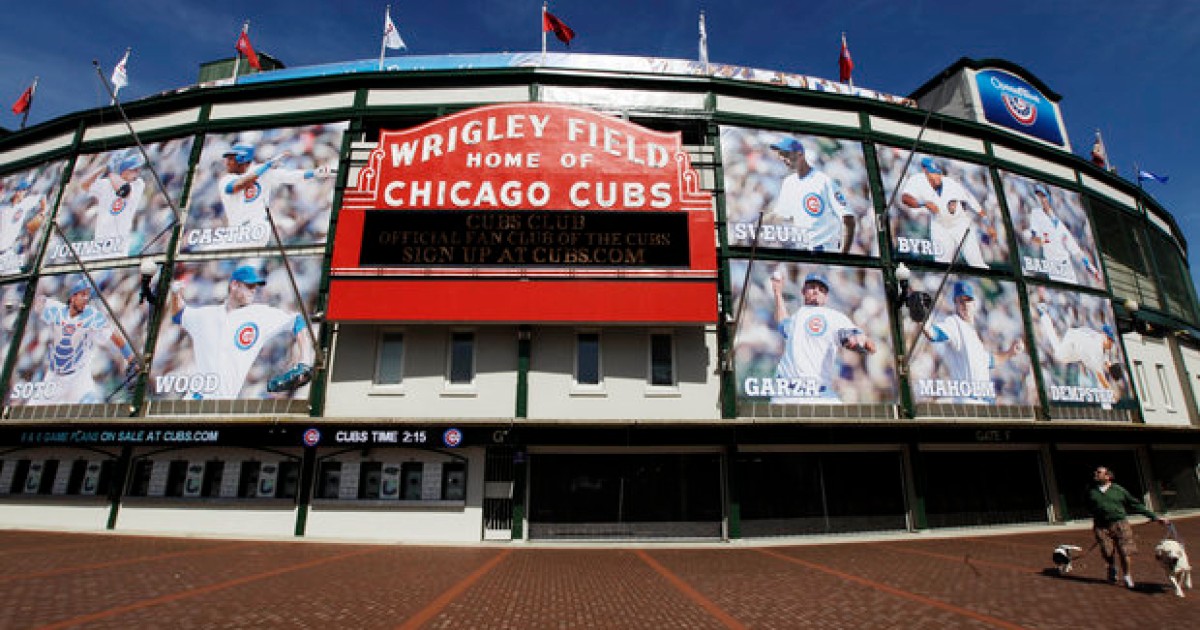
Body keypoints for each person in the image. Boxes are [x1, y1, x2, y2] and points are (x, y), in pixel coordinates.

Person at [166, 264, 312, 400]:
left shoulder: (260, 315)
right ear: (234, 285)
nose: (253, 290)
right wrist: (174, 293)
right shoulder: (207, 314)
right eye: (249, 286)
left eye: (255, 286)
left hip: (223, 403)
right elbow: (179, 315)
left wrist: (304, 359)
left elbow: (298, 321)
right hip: (195, 398)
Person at [770, 269, 876, 403]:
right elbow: (782, 323)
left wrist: (862, 342)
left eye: (821, 289)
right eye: (812, 287)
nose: (816, 291)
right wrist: (777, 293)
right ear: (803, 291)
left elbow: (858, 337)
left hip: (818, 392)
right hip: (787, 392)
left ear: (826, 296)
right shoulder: (795, 318)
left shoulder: (833, 316)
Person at [29, 280, 138, 404]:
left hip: (78, 377)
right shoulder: (56, 310)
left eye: (87, 295)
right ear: (73, 297)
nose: (86, 298)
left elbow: (114, 335)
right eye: (82, 294)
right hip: (54, 377)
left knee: (90, 411)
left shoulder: (92, 316)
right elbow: (34, 301)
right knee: (29, 413)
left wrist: (131, 359)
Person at [921, 280, 1022, 404]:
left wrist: (1010, 353)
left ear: (974, 303)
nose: (965, 304)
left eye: (968, 300)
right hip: (968, 403)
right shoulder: (954, 324)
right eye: (960, 301)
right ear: (955, 304)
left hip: (985, 403)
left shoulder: (974, 334)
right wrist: (922, 317)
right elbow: (933, 333)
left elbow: (989, 361)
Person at [216, 143, 334, 248]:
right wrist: (266, 166)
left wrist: (314, 173)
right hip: (237, 231)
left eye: (231, 159)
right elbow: (236, 187)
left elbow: (289, 176)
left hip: (256, 228)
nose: (227, 163)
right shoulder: (226, 179)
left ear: (242, 159)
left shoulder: (262, 171)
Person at [899, 157, 995, 269]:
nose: (937, 176)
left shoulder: (951, 184)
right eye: (933, 172)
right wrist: (923, 203)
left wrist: (988, 225)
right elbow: (905, 198)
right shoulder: (917, 180)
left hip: (960, 224)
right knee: (941, 265)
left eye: (939, 173)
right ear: (925, 171)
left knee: (977, 263)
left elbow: (975, 205)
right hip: (940, 226)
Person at [763, 137, 855, 253]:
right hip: (802, 251)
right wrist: (758, 224)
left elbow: (848, 218)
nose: (782, 158)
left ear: (800, 154)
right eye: (780, 155)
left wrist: (843, 255)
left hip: (826, 251)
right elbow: (780, 215)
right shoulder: (789, 182)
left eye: (786, 154)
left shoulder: (823, 181)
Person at [1085, 466, 1169, 589]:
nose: (1095, 474)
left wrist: (1154, 517)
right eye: (1096, 472)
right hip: (1101, 526)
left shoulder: (1118, 490)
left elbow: (1135, 504)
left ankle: (1127, 576)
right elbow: (1087, 505)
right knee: (1107, 551)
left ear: (1108, 476)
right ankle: (1112, 567)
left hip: (1120, 524)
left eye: (1099, 472)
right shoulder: (1091, 491)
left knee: (1125, 551)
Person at [1034, 302, 1120, 397]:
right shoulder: (1096, 349)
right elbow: (1101, 377)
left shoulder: (1102, 342)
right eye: (1110, 340)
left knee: (1069, 354)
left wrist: (1110, 366)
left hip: (1077, 340)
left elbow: (1105, 359)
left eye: (1112, 341)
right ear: (1105, 336)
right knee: (1059, 355)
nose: (1111, 343)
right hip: (1073, 344)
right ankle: (1044, 315)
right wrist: (1111, 392)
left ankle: (1045, 315)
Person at [1025, 183, 1101, 285]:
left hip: (1067, 268)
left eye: (1043, 196)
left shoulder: (1060, 223)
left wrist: (1093, 269)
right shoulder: (1036, 214)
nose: (1042, 200)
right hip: (1052, 267)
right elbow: (1032, 237)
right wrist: (1041, 240)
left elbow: (1077, 251)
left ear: (1049, 197)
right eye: (1039, 197)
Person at [77, 148, 147, 256]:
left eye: (137, 169)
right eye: (133, 169)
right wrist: (102, 168)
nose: (137, 172)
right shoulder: (107, 184)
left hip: (118, 245)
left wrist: (111, 172)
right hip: (100, 244)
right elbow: (83, 184)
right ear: (123, 170)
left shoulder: (138, 184)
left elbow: (123, 190)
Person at [0, 180, 47, 273]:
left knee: (16, 277)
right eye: (21, 190)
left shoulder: (25, 203)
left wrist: (42, 212)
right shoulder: (3, 206)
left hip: (7, 254)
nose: (23, 192)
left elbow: (42, 197)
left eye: (25, 190)